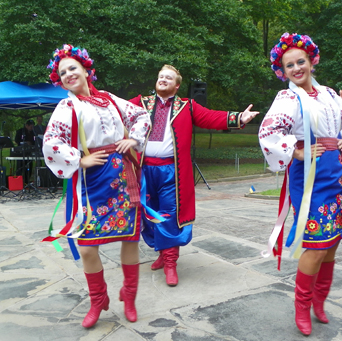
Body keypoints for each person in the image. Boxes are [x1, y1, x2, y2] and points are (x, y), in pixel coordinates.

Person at [259, 32, 342, 336]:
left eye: (300, 61)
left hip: (338, 174)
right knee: (317, 245)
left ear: (311, 61)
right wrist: (296, 150)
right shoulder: (288, 98)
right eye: (289, 65)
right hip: (310, 177)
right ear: (283, 71)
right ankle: (302, 306)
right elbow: (269, 132)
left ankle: (320, 301)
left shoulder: (330, 93)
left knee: (331, 244)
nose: (296, 68)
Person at [42, 44, 151, 328]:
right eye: (62, 72)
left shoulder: (110, 99)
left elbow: (141, 115)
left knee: (129, 239)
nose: (68, 74)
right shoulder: (67, 106)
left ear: (86, 70)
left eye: (72, 68)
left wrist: (134, 140)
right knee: (88, 246)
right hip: (92, 183)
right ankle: (98, 298)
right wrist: (79, 158)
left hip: (124, 176)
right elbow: (51, 142)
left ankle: (129, 296)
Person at [129, 64, 259, 287]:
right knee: (147, 216)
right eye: (160, 76)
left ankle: (171, 263)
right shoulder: (139, 104)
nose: (163, 80)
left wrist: (239, 118)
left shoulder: (187, 107)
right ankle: (161, 252)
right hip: (143, 170)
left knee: (169, 215)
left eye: (168, 78)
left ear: (177, 85)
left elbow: (211, 117)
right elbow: (112, 110)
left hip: (172, 172)